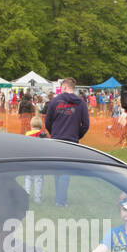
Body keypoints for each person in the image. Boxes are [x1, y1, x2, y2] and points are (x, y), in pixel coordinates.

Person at [44, 77, 90, 207]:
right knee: (65, 171)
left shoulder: (54, 101)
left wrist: (54, 133)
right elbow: (85, 124)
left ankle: (59, 199)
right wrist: (76, 136)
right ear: (73, 88)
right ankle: (60, 199)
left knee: (58, 169)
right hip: (71, 141)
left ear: (64, 87)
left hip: (57, 139)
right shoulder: (81, 103)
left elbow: (48, 122)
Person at [24, 114, 47, 202]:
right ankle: (37, 198)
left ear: (31, 125)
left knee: (28, 178)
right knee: (39, 179)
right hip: (40, 161)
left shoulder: (27, 135)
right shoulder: (43, 135)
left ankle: (26, 196)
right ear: (41, 125)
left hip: (29, 160)